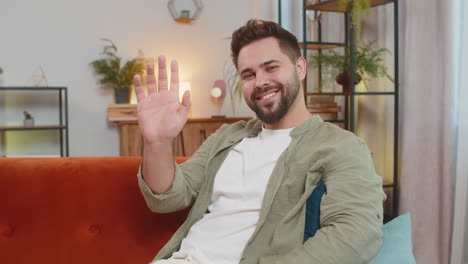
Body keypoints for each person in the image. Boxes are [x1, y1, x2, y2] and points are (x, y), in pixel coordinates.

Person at [134, 19, 386, 264]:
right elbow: (168, 197)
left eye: (271, 67)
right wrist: (157, 142)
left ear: (300, 68)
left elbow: (356, 232)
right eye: (248, 74)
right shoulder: (227, 137)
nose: (261, 81)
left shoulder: (340, 146)